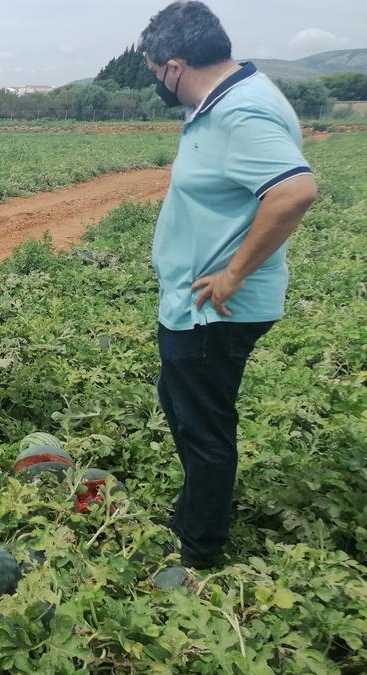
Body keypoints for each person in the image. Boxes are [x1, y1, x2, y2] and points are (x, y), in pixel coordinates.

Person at [138, 1, 318, 568]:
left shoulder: (242, 112)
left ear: (173, 64)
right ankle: (194, 514)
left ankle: (200, 552)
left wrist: (233, 273)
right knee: (186, 407)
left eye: (152, 71)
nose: (156, 83)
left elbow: (294, 191)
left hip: (215, 308)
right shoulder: (227, 100)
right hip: (193, 304)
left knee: (204, 427)